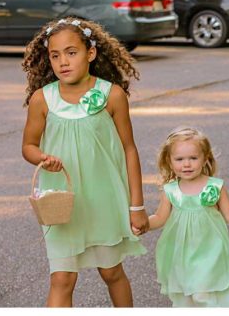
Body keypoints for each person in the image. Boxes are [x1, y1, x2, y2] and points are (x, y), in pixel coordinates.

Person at [21, 17, 148, 307]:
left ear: (90, 53)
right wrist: (42, 157)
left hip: (104, 200)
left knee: (112, 271)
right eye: (55, 55)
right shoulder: (43, 99)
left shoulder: (112, 95)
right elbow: (28, 146)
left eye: (71, 52)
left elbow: (129, 149)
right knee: (62, 279)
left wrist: (137, 206)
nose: (63, 62)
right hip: (61, 203)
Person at [138, 126, 229, 307]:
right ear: (169, 162)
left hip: (210, 249)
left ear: (205, 159)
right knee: (186, 297)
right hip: (181, 253)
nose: (186, 164)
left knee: (205, 294)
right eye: (179, 159)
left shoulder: (214, 186)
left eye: (193, 158)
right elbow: (160, 217)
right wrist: (144, 223)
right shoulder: (170, 189)